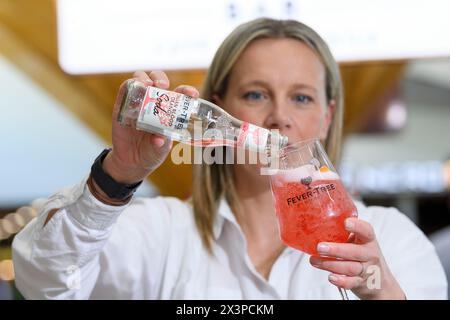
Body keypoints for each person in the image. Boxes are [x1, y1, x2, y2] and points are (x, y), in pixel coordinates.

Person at [12, 18, 447, 299]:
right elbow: (45, 283)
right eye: (255, 94)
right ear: (219, 112)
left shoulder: (388, 237)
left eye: (301, 97)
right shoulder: (159, 233)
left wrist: (379, 289)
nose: (279, 117)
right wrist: (119, 174)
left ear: (327, 117)